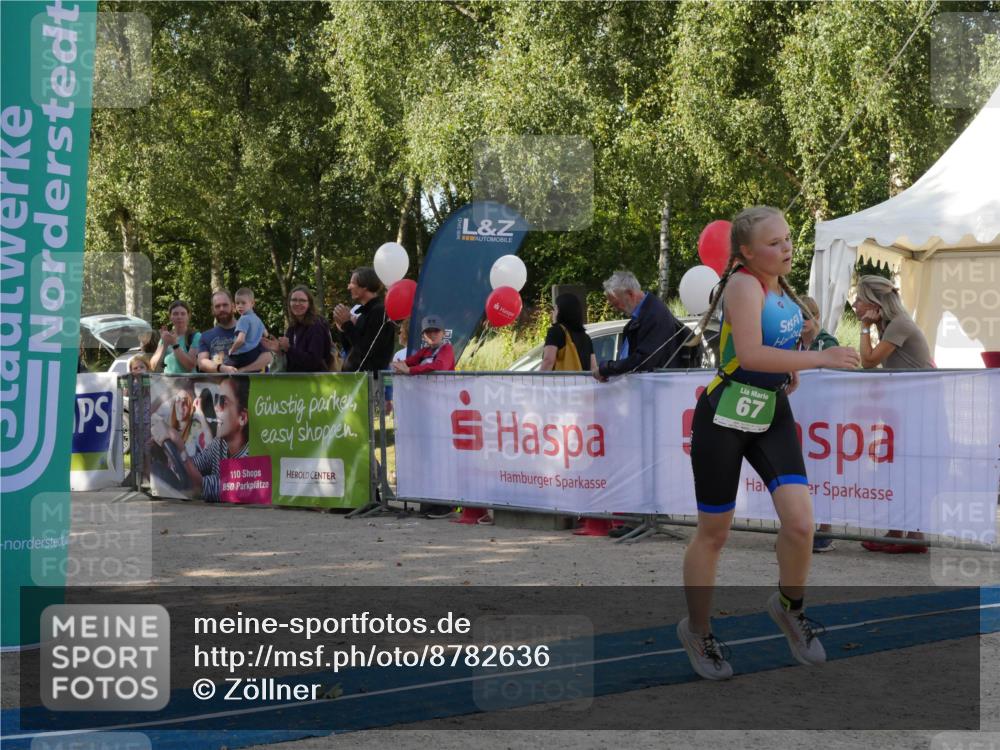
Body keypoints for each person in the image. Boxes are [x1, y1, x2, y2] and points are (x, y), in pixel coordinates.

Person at [678, 205, 860, 681]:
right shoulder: (742, 283)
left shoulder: (781, 288)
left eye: (788, 239)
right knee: (714, 534)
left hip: (771, 410)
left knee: (801, 525)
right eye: (775, 243)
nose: (787, 249)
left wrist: (797, 357)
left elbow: (769, 352)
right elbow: (753, 353)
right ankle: (697, 630)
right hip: (723, 416)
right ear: (745, 252)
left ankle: (789, 608)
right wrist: (819, 359)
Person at [853, 274, 933, 553]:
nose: (855, 305)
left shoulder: (899, 324)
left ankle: (910, 534)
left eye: (859, 300)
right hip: (911, 406)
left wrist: (865, 327)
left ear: (874, 301)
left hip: (920, 407)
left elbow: (868, 361)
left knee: (909, 469)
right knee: (901, 468)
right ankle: (901, 532)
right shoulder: (892, 324)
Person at [151, 376, 250, 502]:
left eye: (223, 402)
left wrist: (181, 448)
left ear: (242, 418)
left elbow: (203, 487)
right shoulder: (220, 444)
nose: (216, 408)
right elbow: (196, 464)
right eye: (216, 401)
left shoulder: (248, 458)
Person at [797, 296, 840, 553]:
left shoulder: (827, 342)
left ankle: (825, 530)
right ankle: (802, 527)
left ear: (816, 317)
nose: (802, 322)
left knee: (824, 474)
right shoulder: (793, 343)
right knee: (802, 474)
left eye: (806, 316)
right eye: (798, 317)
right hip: (801, 418)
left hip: (823, 419)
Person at [595, 271, 686, 382]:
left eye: (617, 303)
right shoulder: (642, 317)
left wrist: (606, 368)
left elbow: (643, 361)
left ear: (630, 294)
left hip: (657, 390)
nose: (616, 309)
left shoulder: (654, 315)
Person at [332, 267, 395, 373]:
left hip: (369, 382)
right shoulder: (363, 313)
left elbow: (367, 351)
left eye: (352, 283)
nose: (349, 287)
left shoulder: (379, 312)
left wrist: (347, 325)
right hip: (355, 380)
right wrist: (342, 328)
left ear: (364, 286)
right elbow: (350, 350)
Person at [197, 290, 272, 374]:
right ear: (212, 310)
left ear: (233, 306)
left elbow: (267, 357)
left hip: (253, 385)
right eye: (217, 306)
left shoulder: (251, 326)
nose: (222, 309)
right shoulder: (205, 336)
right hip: (220, 385)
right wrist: (221, 368)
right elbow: (202, 363)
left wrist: (243, 370)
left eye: (225, 305)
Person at [262, 286, 333, 373]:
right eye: (294, 300)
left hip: (315, 382)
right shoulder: (292, 327)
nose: (297, 303)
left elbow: (314, 362)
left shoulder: (317, 326)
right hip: (296, 383)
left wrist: (289, 349)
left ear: (309, 304)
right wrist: (279, 351)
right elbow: (292, 362)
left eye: (302, 300)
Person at [540, 293, 598, 373]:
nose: (553, 313)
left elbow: (548, 361)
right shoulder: (586, 337)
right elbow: (593, 367)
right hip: (581, 384)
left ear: (559, 311)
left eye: (555, 309)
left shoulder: (555, 332)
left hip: (561, 383)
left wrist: (539, 381)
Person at [391, 315, 455, 375]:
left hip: (444, 386)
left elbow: (440, 366)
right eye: (428, 331)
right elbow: (409, 362)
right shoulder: (425, 351)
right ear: (423, 336)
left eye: (436, 331)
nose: (432, 335)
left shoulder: (447, 348)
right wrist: (398, 366)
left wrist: (410, 370)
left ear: (444, 333)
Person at [150, 300, 201, 374]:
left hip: (189, 383)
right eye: (175, 314)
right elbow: (153, 366)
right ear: (170, 317)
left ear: (188, 316)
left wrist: (174, 344)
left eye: (183, 314)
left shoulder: (196, 336)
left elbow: (190, 366)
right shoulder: (166, 337)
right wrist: (164, 345)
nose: (179, 317)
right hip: (168, 383)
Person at [226, 288, 267, 369]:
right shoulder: (257, 319)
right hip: (255, 354)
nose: (240, 306)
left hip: (242, 355)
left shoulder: (243, 319)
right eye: (237, 303)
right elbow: (266, 333)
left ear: (252, 303)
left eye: (243, 303)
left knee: (225, 368)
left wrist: (232, 349)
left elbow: (240, 340)